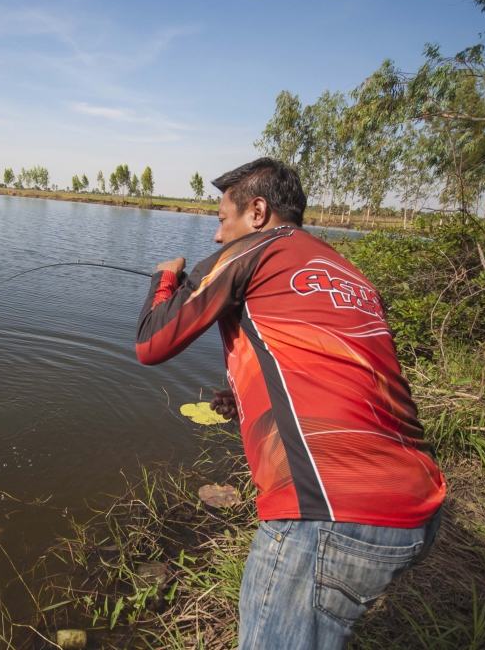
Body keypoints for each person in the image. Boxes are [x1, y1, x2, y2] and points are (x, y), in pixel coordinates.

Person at [135, 158, 445, 649]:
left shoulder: (250, 250)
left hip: (329, 512)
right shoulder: (347, 271)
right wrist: (245, 396)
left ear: (257, 212)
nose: (217, 237)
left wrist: (165, 278)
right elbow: (331, 366)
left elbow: (152, 344)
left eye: (221, 220)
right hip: (419, 507)